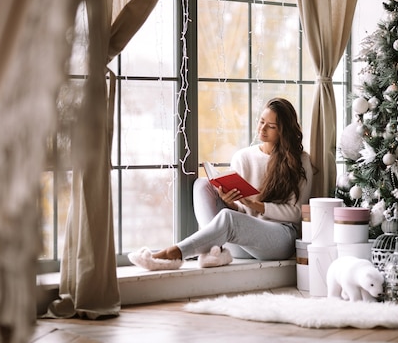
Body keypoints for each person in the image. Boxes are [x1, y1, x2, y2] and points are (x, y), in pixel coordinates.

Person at [128, 97, 313, 270]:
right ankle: (215, 252)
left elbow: (296, 213)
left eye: (271, 126)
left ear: (284, 131)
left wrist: (256, 205)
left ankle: (172, 254)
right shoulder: (244, 156)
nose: (262, 129)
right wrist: (230, 201)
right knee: (202, 185)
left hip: (279, 239)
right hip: (243, 242)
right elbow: (241, 213)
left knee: (228, 218)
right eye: (261, 121)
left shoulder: (300, 161)